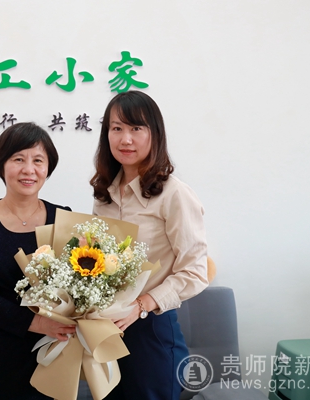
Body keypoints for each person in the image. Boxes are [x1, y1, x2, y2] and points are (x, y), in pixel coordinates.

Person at [90, 91, 209, 399]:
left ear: (154, 134)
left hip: (151, 331)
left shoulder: (173, 194)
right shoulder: (104, 195)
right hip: (107, 330)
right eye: (116, 128)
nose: (125, 139)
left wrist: (141, 304)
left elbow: (195, 272)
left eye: (136, 128)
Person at [0, 122, 76, 400]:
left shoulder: (63, 217)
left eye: (38, 160)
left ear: (48, 168)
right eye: (18, 159)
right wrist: (38, 323)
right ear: (2, 165)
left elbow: (78, 283)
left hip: (51, 348)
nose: (28, 169)